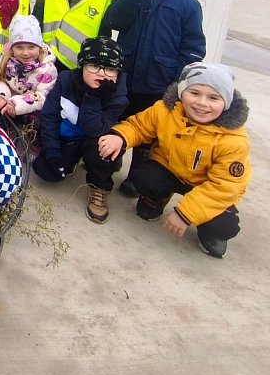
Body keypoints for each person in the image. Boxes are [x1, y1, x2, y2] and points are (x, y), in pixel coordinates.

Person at [99, 62, 250, 259]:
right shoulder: (165, 110)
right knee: (143, 177)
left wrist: (185, 214)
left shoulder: (234, 140)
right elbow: (139, 126)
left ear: (226, 102)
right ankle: (156, 199)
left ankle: (209, 233)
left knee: (223, 225)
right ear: (181, 92)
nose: (202, 103)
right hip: (169, 169)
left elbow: (225, 186)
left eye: (213, 97)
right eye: (194, 93)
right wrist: (120, 136)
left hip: (205, 185)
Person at [100, 0, 206, 197]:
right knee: (118, 118)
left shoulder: (187, 4)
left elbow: (193, 47)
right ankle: (112, 158)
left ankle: (136, 177)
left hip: (159, 81)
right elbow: (114, 22)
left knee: (148, 130)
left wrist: (176, 78)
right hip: (125, 75)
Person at [34, 36, 129, 224]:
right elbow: (50, 116)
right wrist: (53, 152)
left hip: (95, 139)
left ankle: (99, 187)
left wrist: (94, 97)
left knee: (104, 147)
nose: (102, 74)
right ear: (82, 66)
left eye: (110, 69)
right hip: (70, 135)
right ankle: (71, 159)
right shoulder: (66, 80)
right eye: (94, 66)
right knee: (45, 170)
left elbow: (95, 129)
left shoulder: (118, 96)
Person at [0, 15, 58, 155]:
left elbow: (42, 97)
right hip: (8, 105)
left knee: (37, 121)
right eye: (19, 47)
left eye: (31, 47)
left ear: (39, 46)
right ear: (12, 48)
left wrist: (15, 103)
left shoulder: (47, 68)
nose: (25, 53)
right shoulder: (5, 60)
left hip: (32, 107)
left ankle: (33, 149)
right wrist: (1, 96)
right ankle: (5, 141)